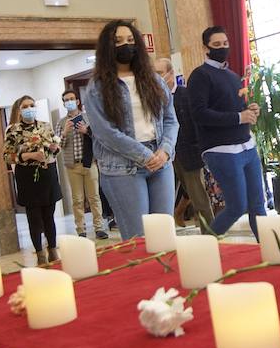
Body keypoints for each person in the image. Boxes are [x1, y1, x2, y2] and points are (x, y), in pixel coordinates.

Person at [83, 22, 178, 239]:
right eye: (118, 41)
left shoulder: (153, 80)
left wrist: (164, 151)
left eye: (130, 40)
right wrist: (144, 155)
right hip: (121, 168)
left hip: (160, 162)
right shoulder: (96, 88)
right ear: (107, 47)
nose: (125, 45)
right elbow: (105, 132)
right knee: (139, 239)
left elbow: (171, 120)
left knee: (164, 235)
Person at [187, 26, 265, 237]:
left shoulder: (231, 76)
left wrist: (249, 110)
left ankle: (270, 249)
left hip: (246, 145)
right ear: (206, 47)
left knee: (258, 205)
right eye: (216, 45)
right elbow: (200, 114)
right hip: (221, 149)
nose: (222, 48)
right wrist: (239, 117)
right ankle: (204, 246)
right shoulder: (200, 75)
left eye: (225, 44)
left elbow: (234, 108)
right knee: (236, 206)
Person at [155, 57, 215, 231]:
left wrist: (202, 149)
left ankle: (211, 234)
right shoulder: (155, 100)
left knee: (198, 196)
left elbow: (197, 124)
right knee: (175, 194)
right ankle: (176, 217)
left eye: (159, 73)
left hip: (189, 153)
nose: (156, 78)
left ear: (171, 74)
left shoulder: (187, 94)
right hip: (164, 156)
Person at [4, 95, 63, 264]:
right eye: (25, 106)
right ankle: (40, 254)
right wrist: (30, 155)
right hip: (27, 177)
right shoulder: (13, 131)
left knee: (49, 216)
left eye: (32, 105)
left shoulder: (45, 126)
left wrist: (54, 148)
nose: (29, 109)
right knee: (34, 217)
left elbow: (55, 149)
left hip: (47, 174)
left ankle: (53, 250)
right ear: (19, 110)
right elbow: (7, 156)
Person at [58, 89, 108, 240]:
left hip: (90, 163)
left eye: (72, 99)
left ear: (78, 101)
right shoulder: (61, 122)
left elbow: (99, 138)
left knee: (94, 197)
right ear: (64, 104)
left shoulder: (89, 117)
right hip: (72, 166)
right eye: (66, 100)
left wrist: (86, 131)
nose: (70, 102)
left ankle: (99, 228)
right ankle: (81, 230)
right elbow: (57, 145)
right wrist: (65, 132)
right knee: (77, 199)